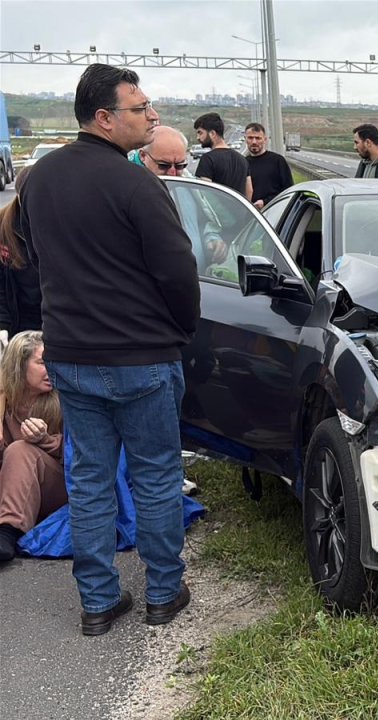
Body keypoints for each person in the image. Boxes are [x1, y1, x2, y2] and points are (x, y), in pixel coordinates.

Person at [18, 63, 200, 635]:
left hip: (71, 356)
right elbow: (178, 272)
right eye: (141, 108)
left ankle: (97, 603)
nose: (152, 116)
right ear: (104, 118)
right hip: (142, 356)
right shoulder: (138, 184)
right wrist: (180, 329)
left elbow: (39, 258)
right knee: (154, 476)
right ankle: (163, 595)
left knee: (89, 479)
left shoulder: (40, 179)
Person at [0, 331, 65, 563]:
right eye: (41, 362)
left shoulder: (65, 398)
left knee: (21, 450)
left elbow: (81, 452)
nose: (50, 368)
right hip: (16, 491)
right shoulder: (4, 400)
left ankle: (7, 532)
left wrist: (45, 440)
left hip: (60, 487)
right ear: (19, 365)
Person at [135, 125, 228, 275]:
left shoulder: (190, 186)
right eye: (163, 165)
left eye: (180, 165)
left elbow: (203, 221)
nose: (173, 173)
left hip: (199, 280)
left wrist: (212, 239)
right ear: (143, 156)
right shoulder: (129, 189)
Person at [0, 169, 42, 349]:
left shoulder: (62, 223)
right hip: (19, 324)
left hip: (57, 321)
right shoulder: (3, 227)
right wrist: (2, 324)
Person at [193, 112, 252, 200]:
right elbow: (249, 190)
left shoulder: (208, 159)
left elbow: (205, 192)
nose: (198, 137)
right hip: (239, 212)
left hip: (217, 212)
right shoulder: (242, 159)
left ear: (212, 133)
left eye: (200, 133)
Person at [244, 122, 293, 208]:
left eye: (258, 138)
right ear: (245, 139)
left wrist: (265, 202)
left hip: (276, 213)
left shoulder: (278, 161)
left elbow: (289, 190)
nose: (254, 142)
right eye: (250, 138)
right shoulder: (243, 163)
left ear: (265, 140)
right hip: (250, 215)